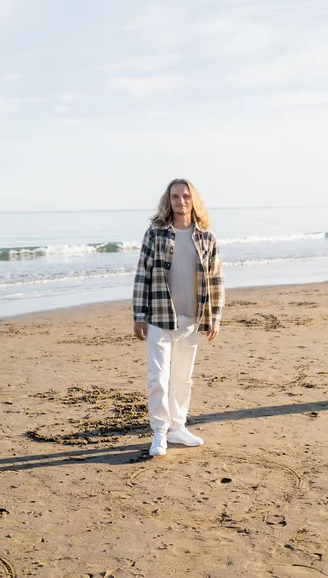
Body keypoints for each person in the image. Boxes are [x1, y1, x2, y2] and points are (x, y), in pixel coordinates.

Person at [133, 179, 224, 456]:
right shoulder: (155, 233)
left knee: (183, 378)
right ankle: (159, 433)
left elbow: (215, 278)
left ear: (193, 200)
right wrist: (139, 315)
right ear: (168, 200)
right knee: (158, 378)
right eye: (175, 196)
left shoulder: (206, 236)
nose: (180, 201)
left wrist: (214, 318)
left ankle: (178, 428)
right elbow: (142, 275)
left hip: (191, 319)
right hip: (159, 317)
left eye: (185, 196)